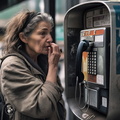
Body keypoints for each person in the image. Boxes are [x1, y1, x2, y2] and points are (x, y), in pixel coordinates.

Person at [0, 10, 66, 120]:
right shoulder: (12, 66)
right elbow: (42, 107)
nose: (50, 39)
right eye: (42, 33)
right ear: (24, 37)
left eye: (49, 33)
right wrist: (53, 66)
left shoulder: (42, 60)